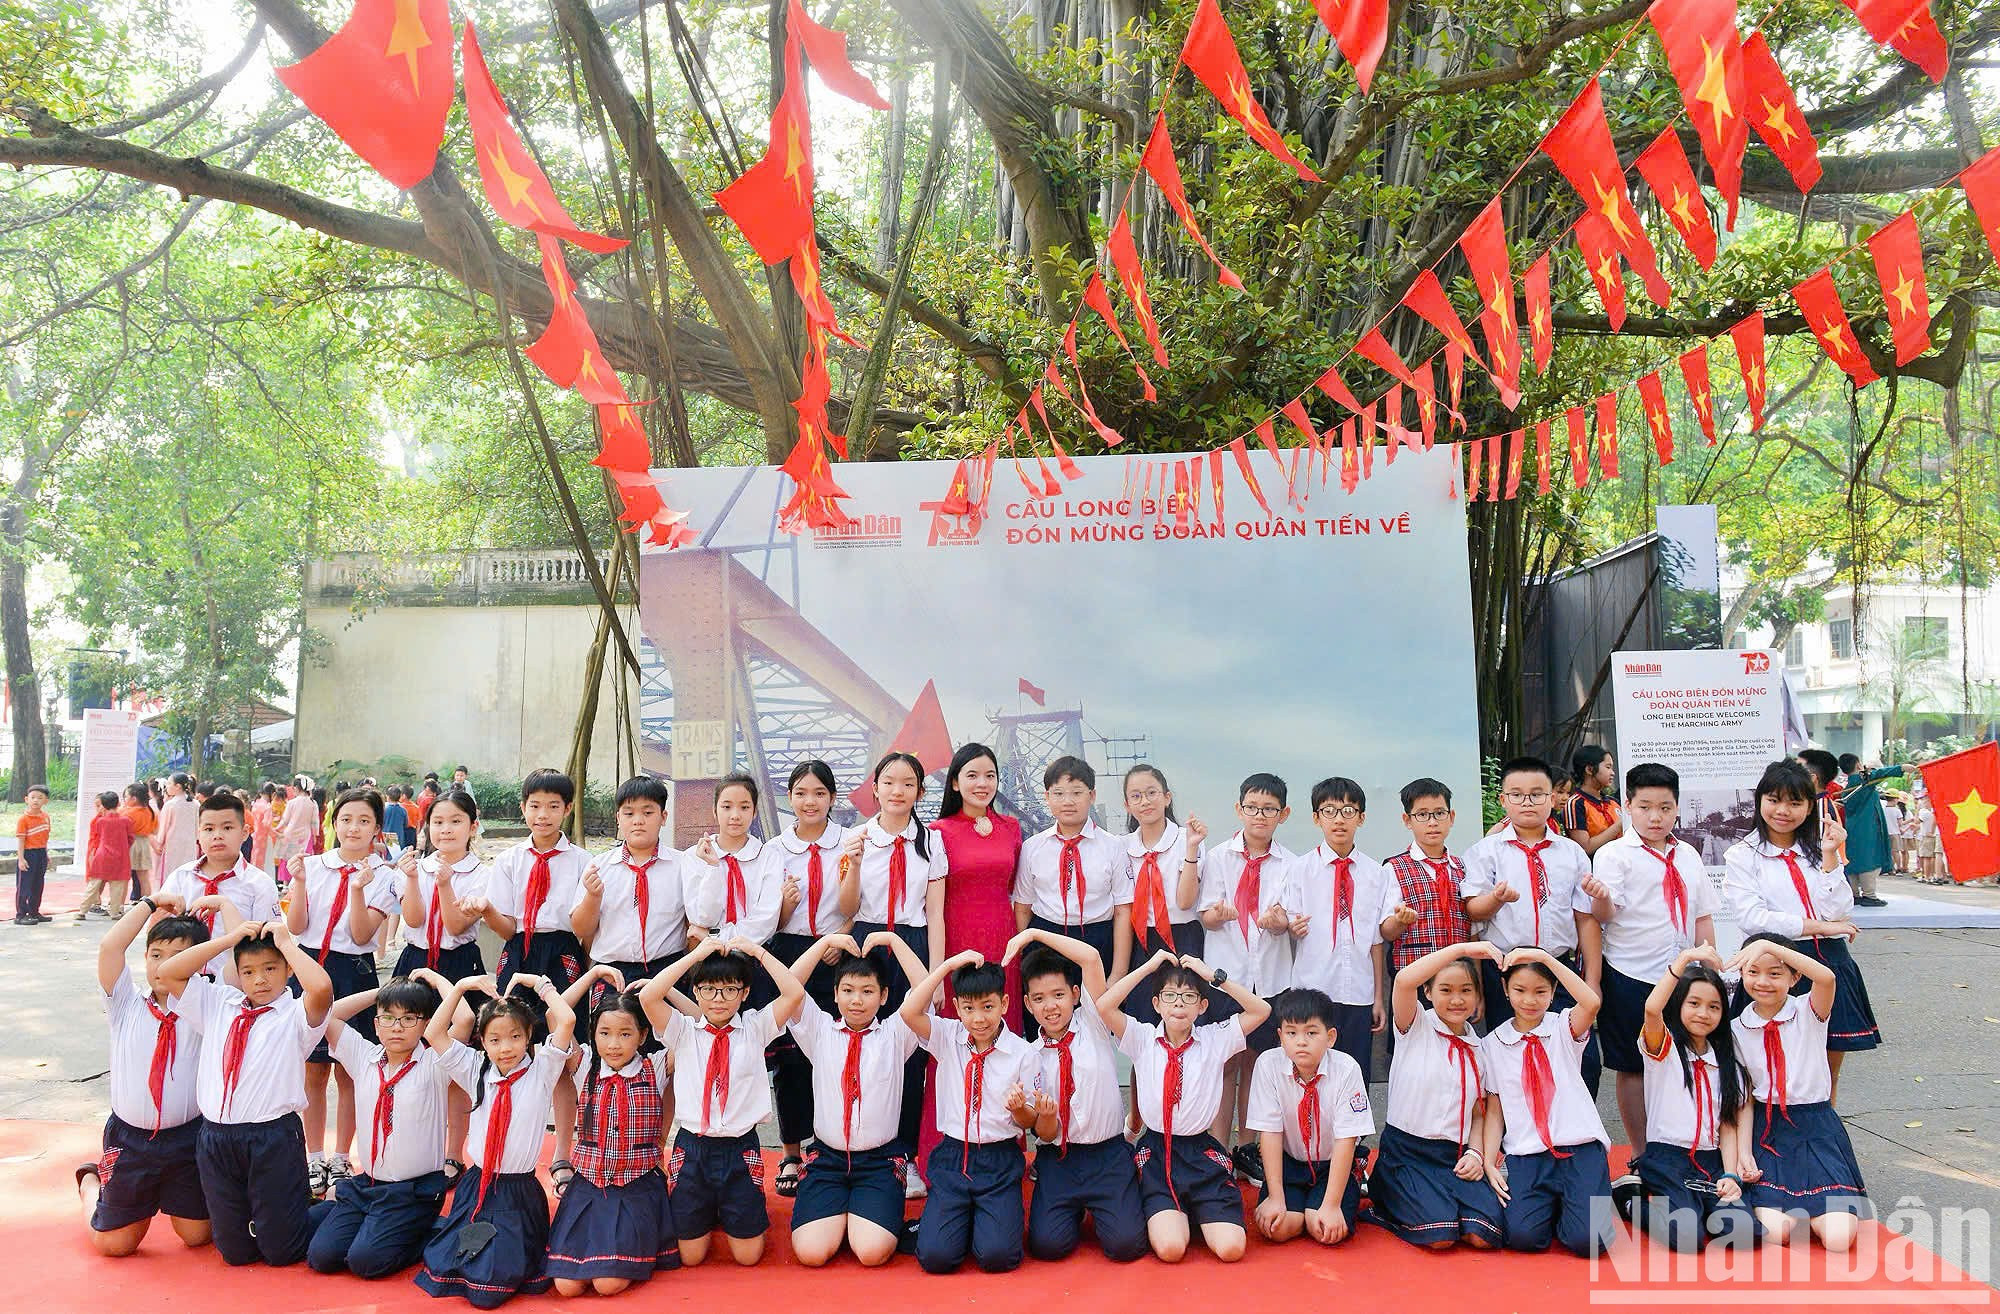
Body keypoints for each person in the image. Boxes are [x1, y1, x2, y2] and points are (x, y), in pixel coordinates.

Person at [156, 905, 334, 1267]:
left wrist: (286, 944)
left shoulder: (295, 1014)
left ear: (287, 969)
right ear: (237, 975)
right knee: (235, 1253)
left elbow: (322, 988)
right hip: (217, 1138)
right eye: (249, 972)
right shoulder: (219, 1003)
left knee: (281, 1252)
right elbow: (168, 972)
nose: (261, 980)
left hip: (272, 1136)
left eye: (271, 969)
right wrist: (228, 940)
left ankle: (334, 1206)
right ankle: (273, 1215)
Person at [638, 935, 805, 1267]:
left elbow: (794, 992)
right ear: (696, 992)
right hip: (693, 1148)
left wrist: (756, 952)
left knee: (748, 1256)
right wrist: (696, 956)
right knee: (691, 1256)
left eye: (730, 990)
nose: (719, 999)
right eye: (710, 990)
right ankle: (707, 1210)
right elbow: (649, 995)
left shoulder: (756, 1027)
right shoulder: (682, 1031)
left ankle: (727, 1209)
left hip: (739, 1148)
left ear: (743, 994)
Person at [1098, 948, 1270, 1262]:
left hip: (1200, 1152)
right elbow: (1104, 1006)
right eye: (1170, 995)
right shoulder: (1142, 1038)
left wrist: (1213, 976)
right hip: (1158, 1151)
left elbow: (1261, 1011)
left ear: (1203, 1006)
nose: (1179, 1002)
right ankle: (1179, 1214)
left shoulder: (1215, 1039)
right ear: (1156, 1004)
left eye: (1189, 996)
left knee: (1232, 1249)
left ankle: (1197, 1209)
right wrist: (1149, 968)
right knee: (1171, 1249)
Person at [415, 973, 576, 1306]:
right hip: (478, 1186)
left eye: (516, 1037)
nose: (506, 1048)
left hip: (518, 1192)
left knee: (491, 1287)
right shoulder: (475, 1069)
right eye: (495, 1040)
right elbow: (433, 1033)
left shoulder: (542, 1069)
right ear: (483, 1042)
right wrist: (460, 986)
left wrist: (539, 984)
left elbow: (568, 1019)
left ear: (529, 1035)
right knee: (462, 1265)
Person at [1721, 759, 1876, 1095]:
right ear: (1760, 800)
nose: (1783, 810)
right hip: (1774, 966)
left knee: (1823, 1077)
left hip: (1830, 964)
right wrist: (1821, 926)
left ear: (1809, 807)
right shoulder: (1742, 855)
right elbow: (1754, 918)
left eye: (1795, 802)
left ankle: (1822, 1143)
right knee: (1768, 1074)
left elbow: (1839, 908)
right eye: (1774, 800)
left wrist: (1832, 856)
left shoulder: (1820, 850)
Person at [1590, 762, 1717, 1155]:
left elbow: (1702, 915)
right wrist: (1601, 897)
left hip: (1683, 979)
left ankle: (1682, 1145)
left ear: (1677, 807)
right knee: (1632, 1066)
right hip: (1631, 974)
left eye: (1665, 807)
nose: (1655, 816)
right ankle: (1643, 1153)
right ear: (1627, 805)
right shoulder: (1614, 855)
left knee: (1683, 1061)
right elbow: (1604, 916)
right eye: (1645, 806)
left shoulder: (1689, 855)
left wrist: (1710, 969)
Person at [884, 940, 1033, 1275]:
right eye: (968, 1008)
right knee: (935, 1258)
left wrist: (1020, 1108)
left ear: (1004, 1003)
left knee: (998, 1257)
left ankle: (977, 1221)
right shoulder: (947, 1035)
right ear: (956, 1006)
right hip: (954, 1156)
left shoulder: (1023, 1052)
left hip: (998, 1159)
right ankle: (956, 1220)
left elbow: (1029, 1121)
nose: (978, 1018)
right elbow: (910, 1012)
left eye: (988, 1007)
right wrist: (947, 966)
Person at [1004, 927, 1149, 1263]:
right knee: (1047, 1246)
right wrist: (1045, 1116)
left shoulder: (1094, 1022)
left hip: (1108, 1154)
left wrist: (1032, 935)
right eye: (1038, 999)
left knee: (1126, 1245)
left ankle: (1107, 1203)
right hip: (1060, 1158)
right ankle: (1077, 1208)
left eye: (1057, 995)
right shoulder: (1029, 1055)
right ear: (1027, 1003)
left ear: (1074, 993)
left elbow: (1092, 958)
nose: (1050, 1007)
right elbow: (1043, 1134)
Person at [1460, 756, 1602, 1094]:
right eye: (1518, 794)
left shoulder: (1571, 853)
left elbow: (1586, 919)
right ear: (1503, 800)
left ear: (1552, 798)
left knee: (1582, 1058)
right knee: (1509, 1059)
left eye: (1537, 794)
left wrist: (1592, 981)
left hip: (1558, 968)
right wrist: (1495, 898)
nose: (1528, 801)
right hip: (1506, 969)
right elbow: (1472, 911)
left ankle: (1575, 1132)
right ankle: (1516, 1138)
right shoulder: (1486, 852)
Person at [78, 896, 210, 1255]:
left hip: (187, 1138)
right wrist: (149, 904)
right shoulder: (125, 1003)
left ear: (199, 963)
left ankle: (161, 1195)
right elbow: (110, 946)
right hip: (131, 1140)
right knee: (114, 1245)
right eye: (156, 955)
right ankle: (92, 1182)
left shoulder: (208, 1006)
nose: (163, 965)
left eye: (178, 956)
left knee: (197, 1236)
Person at [286, 786, 400, 1198]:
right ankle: (313, 1154)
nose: (354, 828)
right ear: (334, 822)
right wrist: (298, 882)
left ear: (376, 828)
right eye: (346, 819)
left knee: (349, 1070)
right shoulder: (312, 865)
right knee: (312, 1070)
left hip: (353, 972)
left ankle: (340, 1157)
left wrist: (357, 888)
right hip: (308, 968)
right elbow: (297, 927)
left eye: (364, 820)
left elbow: (360, 933)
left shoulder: (385, 876)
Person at [780, 933, 919, 1268]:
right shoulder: (820, 1029)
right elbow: (789, 986)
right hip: (827, 1159)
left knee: (871, 1253)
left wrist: (894, 941)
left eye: (868, 991)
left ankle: (860, 1213)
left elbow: (926, 988)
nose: (857, 1000)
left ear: (884, 996)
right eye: (848, 990)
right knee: (811, 1254)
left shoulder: (896, 1033)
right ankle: (843, 1211)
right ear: (836, 993)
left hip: (879, 1161)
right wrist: (826, 942)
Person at [1729, 934, 1870, 1250]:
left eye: (1775, 973)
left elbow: (1827, 976)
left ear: (1795, 977)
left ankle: (1821, 1206)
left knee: (1838, 1239)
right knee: (1773, 1233)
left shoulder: (1809, 1011)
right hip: (1770, 1132)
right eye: (1753, 972)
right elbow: (1745, 1100)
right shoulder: (1737, 1028)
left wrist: (1767, 947)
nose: (1763, 981)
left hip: (1816, 1129)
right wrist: (1744, 1153)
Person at [845, 751, 950, 1173]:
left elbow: (936, 912)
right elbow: (847, 905)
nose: (897, 791)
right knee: (861, 1042)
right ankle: (857, 1145)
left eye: (908, 783)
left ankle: (903, 1155)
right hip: (866, 942)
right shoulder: (855, 838)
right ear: (875, 788)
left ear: (920, 792)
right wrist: (851, 864)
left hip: (913, 943)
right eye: (889, 782)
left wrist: (936, 977)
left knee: (910, 1055)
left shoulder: (932, 842)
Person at [307, 974, 452, 1277]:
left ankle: (429, 1231)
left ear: (425, 1025)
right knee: (322, 1257)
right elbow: (329, 1014)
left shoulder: (434, 1063)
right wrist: (385, 993)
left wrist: (442, 983)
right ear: (375, 1024)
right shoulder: (364, 1057)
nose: (397, 1027)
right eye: (388, 1017)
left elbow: (462, 1019)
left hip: (414, 1191)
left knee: (366, 1262)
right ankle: (363, 1220)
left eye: (408, 1018)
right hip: (369, 1185)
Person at [1478, 947, 1617, 1257]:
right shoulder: (1492, 1044)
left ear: (1553, 991)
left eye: (1541, 991)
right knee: (1522, 1237)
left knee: (1591, 1242)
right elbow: (1496, 1110)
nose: (1530, 1000)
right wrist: (1489, 1159)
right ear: (1505, 990)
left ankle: (1579, 1202)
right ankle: (1559, 1207)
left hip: (1579, 1148)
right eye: (1520, 990)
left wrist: (1545, 959)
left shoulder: (1563, 1027)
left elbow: (1592, 1002)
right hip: (1528, 1153)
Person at [1368, 942, 1505, 1250]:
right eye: (1445, 990)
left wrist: (1476, 1154)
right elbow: (1404, 980)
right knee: (1441, 1236)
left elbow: (1478, 1113)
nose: (1457, 999)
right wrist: (1464, 948)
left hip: (1454, 1156)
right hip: (1408, 1154)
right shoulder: (1415, 1025)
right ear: (1428, 993)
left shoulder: (1480, 1049)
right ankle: (1386, 1197)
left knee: (1483, 1234)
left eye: (1466, 990)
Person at [1194, 772, 1296, 1183]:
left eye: (1269, 809)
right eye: (1252, 807)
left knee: (1257, 1063)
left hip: (1270, 980)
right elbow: (1205, 912)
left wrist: (1279, 922)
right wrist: (1216, 915)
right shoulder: (1217, 857)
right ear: (1239, 809)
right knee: (1224, 1063)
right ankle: (1217, 1151)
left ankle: (1248, 1151)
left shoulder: (1291, 863)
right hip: (1224, 978)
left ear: (1283, 814)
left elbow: (1290, 918)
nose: (1259, 815)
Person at [1621, 945, 1756, 1252]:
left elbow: (1728, 1125)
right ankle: (1632, 1202)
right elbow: (1652, 1009)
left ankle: (1700, 1207)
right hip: (1668, 1157)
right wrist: (1683, 960)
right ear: (1679, 1004)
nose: (1703, 1013)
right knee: (1686, 1238)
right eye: (1693, 1003)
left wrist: (1731, 1174)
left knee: (1744, 1233)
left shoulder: (1727, 1063)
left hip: (1710, 1161)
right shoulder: (1664, 1051)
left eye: (1714, 1007)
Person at [765, 761, 860, 1198]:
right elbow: (769, 918)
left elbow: (861, 902)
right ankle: (790, 1151)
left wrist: (841, 938)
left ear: (833, 799)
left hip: (836, 954)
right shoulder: (774, 849)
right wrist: (785, 907)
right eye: (801, 793)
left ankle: (832, 1145)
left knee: (835, 1054)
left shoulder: (851, 842)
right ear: (790, 798)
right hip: (788, 954)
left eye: (819, 793)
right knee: (789, 1060)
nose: (810, 801)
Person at [546, 979, 677, 1294]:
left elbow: (696, 1027)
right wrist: (592, 976)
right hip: (588, 1188)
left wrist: (664, 989)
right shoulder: (584, 1066)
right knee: (565, 1286)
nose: (614, 1044)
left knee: (607, 1283)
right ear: (593, 1035)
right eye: (604, 1034)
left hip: (636, 1186)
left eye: (625, 1034)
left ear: (643, 1035)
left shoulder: (656, 1066)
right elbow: (556, 1014)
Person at [1283, 777, 1417, 1081]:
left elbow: (1376, 940)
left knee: (1355, 1074)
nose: (1339, 819)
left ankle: (1352, 1131)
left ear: (1361, 817)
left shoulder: (1376, 874)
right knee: (1311, 1073)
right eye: (1329, 811)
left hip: (1358, 992)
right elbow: (1289, 924)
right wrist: (1291, 926)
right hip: (1313, 988)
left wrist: (1378, 998)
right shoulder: (1300, 870)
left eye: (1347, 810)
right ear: (1317, 818)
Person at [1245, 988, 1373, 1247]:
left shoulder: (1347, 1069)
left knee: (1324, 1230)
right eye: (1292, 1033)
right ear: (1280, 1036)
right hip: (1289, 1162)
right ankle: (1298, 1206)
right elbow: (1269, 1132)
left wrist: (1332, 1205)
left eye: (1311, 1033)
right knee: (1277, 1228)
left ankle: (1328, 1199)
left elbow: (1346, 1139)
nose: (1301, 1041)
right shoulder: (1268, 1065)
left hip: (1331, 1165)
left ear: (1330, 1037)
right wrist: (1276, 1197)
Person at [1010, 756, 1133, 982]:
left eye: (1077, 793)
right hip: (1045, 941)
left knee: (1097, 1013)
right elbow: (1023, 907)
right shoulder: (1032, 847)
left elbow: (1123, 911)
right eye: (1058, 793)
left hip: (1097, 939)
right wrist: (1022, 958)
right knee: (1046, 1014)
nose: (1068, 801)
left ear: (1092, 796)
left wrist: (1117, 973)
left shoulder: (1113, 846)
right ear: (1047, 797)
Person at [573, 776, 688, 996]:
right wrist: (593, 897)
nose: (638, 820)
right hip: (611, 973)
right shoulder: (599, 867)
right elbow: (581, 929)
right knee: (610, 1030)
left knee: (667, 1031)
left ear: (663, 817)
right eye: (629, 813)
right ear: (618, 818)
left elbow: (692, 921)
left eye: (647, 813)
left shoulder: (682, 865)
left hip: (666, 971)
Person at [479, 769, 590, 995]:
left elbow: (587, 927)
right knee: (510, 1020)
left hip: (563, 950)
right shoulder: (508, 861)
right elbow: (507, 929)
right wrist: (488, 910)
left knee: (563, 1021)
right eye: (535, 806)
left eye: (553, 806)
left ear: (568, 809)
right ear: (523, 808)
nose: (543, 815)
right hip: (519, 950)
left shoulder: (583, 862)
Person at [158, 793, 282, 980]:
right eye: (208, 829)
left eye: (227, 827)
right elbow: (159, 933)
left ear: (245, 832)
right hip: (183, 982)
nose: (217, 835)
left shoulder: (259, 884)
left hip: (234, 987)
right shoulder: (181, 878)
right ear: (198, 834)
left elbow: (266, 943)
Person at [1118, 764, 1207, 1022]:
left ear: (1167, 797)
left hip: (1183, 938)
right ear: (1127, 805)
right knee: (1143, 1024)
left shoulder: (1186, 838)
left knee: (1184, 1018)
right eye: (1136, 796)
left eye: (1151, 793)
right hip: (1143, 941)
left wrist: (1191, 850)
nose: (1144, 801)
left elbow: (1185, 900)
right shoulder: (1122, 847)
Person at [682, 772, 782, 970]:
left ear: (754, 812)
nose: (735, 815)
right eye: (726, 807)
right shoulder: (694, 856)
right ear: (715, 810)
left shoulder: (769, 857)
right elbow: (701, 918)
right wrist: (713, 867)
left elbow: (766, 921)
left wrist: (715, 937)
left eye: (744, 807)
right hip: (706, 960)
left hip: (753, 957)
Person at [394, 788, 490, 982]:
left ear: (473, 827)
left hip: (459, 963)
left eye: (456, 821)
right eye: (437, 822)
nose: (445, 829)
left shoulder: (482, 875)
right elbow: (413, 920)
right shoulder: (415, 869)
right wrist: (412, 879)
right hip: (415, 959)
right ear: (428, 827)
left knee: (460, 1013)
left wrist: (445, 885)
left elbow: (455, 927)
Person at [1384, 779, 1471, 982]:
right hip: (1414, 976)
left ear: (1451, 817)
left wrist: (1479, 986)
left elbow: (1472, 931)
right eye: (1422, 815)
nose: (1432, 822)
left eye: (1440, 813)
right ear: (1407, 820)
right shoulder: (1394, 868)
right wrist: (1399, 921)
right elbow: (1386, 931)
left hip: (1461, 977)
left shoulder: (1463, 868)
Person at [1833, 754, 1905, 908]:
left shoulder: (1848, 787)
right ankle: (1869, 895)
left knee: (1852, 860)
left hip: (1852, 828)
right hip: (1867, 828)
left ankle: (1854, 894)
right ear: (1859, 765)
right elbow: (1879, 774)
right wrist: (1901, 768)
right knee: (1869, 860)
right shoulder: (1863, 781)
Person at [82, 791, 136, 922]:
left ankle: (82, 910)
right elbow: (131, 838)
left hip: (101, 856)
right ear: (118, 804)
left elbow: (98, 838)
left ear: (103, 806)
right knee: (117, 886)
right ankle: (114, 912)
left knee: (93, 885)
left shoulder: (100, 821)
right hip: (120, 857)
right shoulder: (126, 821)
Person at [1563, 745, 1624, 857]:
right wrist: (1619, 825)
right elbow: (1585, 848)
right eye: (1608, 767)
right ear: (1589, 769)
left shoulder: (1613, 802)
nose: (1613, 773)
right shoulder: (1575, 803)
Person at [14, 783, 51, 924]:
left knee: (38, 884)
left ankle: (34, 912)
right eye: (33, 797)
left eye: (40, 798)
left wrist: (46, 854)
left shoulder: (46, 817)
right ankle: (21, 915)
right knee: (24, 885)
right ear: (26, 799)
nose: (36, 800)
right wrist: (21, 859)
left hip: (41, 853)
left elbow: (45, 837)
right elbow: (21, 840)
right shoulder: (23, 819)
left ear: (45, 801)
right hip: (28, 854)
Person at [157, 773, 198, 882]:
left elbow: (164, 828)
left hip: (172, 844)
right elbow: (198, 826)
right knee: (187, 872)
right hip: (190, 843)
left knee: (171, 872)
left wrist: (160, 843)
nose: (167, 786)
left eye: (170, 783)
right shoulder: (195, 804)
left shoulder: (170, 805)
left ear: (178, 786)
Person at [272, 777, 318, 875]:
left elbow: (285, 820)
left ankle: (285, 884)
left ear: (296, 788)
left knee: (287, 859)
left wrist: (276, 828)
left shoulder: (292, 802)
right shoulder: (313, 803)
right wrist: (315, 835)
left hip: (290, 834)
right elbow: (314, 822)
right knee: (303, 859)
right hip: (305, 835)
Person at [122, 784, 158, 904]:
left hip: (130, 844)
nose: (125, 799)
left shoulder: (127, 813)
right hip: (144, 844)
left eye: (126, 796)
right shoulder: (151, 812)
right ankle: (147, 903)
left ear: (134, 798)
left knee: (124, 878)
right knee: (144, 877)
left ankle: (119, 904)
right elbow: (154, 830)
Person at [250, 784, 275, 873]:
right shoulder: (267, 806)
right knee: (266, 862)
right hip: (265, 837)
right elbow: (267, 824)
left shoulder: (256, 804)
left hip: (256, 836)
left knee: (255, 858)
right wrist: (277, 834)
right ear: (272, 794)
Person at [383, 789, 410, 859]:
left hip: (387, 834)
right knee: (398, 856)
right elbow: (406, 824)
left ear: (388, 797)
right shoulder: (403, 810)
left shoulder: (384, 809)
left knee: (388, 856)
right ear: (400, 797)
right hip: (399, 835)